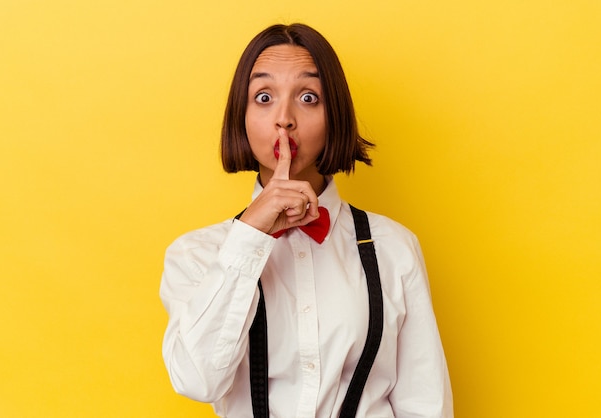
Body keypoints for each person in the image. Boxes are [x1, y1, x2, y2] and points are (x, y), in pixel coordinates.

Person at [160, 23, 453, 418]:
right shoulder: (197, 255)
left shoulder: (393, 247)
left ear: (335, 114)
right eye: (264, 97)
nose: (284, 118)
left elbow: (425, 403)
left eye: (308, 97)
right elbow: (197, 380)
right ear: (241, 118)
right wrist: (249, 235)